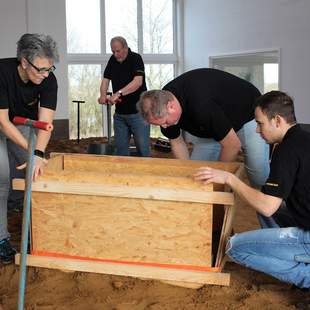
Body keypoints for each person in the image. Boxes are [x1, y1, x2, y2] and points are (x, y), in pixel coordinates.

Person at [194, 91, 310, 289]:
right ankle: (288, 253)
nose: (257, 130)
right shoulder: (303, 138)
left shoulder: (286, 150)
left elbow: (267, 207)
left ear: (277, 120)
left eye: (260, 123)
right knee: (264, 203)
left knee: (233, 247)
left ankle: (304, 276)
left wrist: (230, 179)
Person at [137, 68, 269, 189]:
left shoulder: (201, 106)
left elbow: (232, 145)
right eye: (159, 124)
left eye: (165, 122)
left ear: (171, 106)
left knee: (257, 173)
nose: (164, 127)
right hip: (212, 123)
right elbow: (177, 142)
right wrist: (187, 173)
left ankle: (271, 209)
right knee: (197, 175)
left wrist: (218, 180)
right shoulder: (163, 102)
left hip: (246, 112)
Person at [0, 33, 59, 264]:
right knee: (2, 177)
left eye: (50, 69)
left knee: (37, 169)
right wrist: (30, 149)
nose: (45, 75)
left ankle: (35, 233)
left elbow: (46, 123)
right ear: (24, 62)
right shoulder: (3, 73)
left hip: (21, 123)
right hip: (3, 119)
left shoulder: (48, 80)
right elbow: (3, 122)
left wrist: (37, 153)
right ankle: (2, 239)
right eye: (41, 69)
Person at [98, 36, 150, 157]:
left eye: (118, 51)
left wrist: (118, 93)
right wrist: (102, 95)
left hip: (139, 114)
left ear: (125, 48)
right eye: (113, 51)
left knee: (143, 150)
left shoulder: (136, 58)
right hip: (120, 116)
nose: (115, 54)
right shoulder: (112, 60)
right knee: (120, 153)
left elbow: (138, 82)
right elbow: (106, 80)